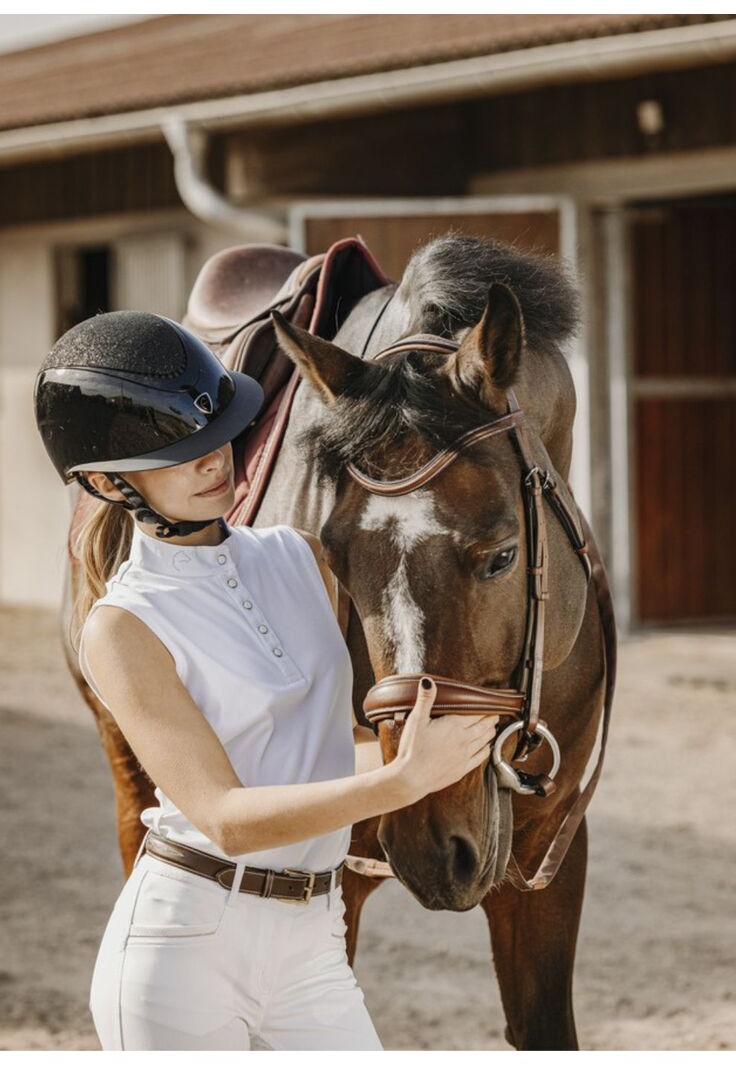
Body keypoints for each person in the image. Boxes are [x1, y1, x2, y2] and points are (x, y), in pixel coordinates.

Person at [33, 310, 499, 1051]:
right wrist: (404, 782)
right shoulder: (121, 628)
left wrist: (471, 747)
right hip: (187, 950)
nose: (214, 460)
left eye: (218, 436)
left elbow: (329, 745)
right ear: (105, 482)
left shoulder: (301, 557)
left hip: (313, 938)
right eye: (181, 452)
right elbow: (224, 814)